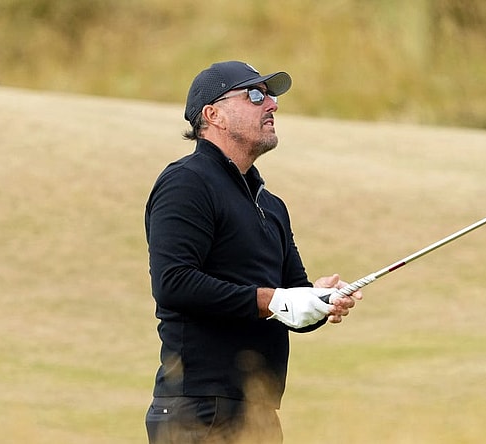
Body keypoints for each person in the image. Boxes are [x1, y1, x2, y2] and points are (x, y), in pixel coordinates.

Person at [144, 61, 363, 443]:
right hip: (198, 410)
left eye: (270, 96)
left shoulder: (270, 204)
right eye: (255, 95)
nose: (272, 105)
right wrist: (275, 300)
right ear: (213, 115)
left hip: (259, 412)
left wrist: (319, 300)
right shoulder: (187, 182)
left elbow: (291, 297)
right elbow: (173, 283)